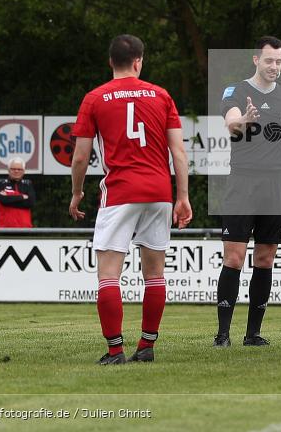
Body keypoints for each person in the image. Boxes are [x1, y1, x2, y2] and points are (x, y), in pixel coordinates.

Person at [69, 34, 192, 365]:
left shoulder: (95, 98)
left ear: (111, 62)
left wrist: (77, 192)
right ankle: (147, 345)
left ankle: (114, 350)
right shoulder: (161, 95)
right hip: (158, 192)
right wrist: (182, 196)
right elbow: (178, 151)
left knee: (109, 274)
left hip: (120, 192)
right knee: (154, 274)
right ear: (139, 61)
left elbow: (80, 157)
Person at [215, 36, 281, 348]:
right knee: (234, 258)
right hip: (242, 183)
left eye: (279, 61)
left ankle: (253, 334)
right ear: (255, 60)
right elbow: (232, 122)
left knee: (265, 258)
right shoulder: (236, 91)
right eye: (269, 61)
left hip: (275, 184)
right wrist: (244, 120)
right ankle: (223, 334)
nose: (274, 66)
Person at [0, 157, 35, 228]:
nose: (16, 171)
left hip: (24, 228)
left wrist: (9, 199)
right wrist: (22, 197)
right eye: (13, 169)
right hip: (5, 228)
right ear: (8, 170)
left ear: (24, 171)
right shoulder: (1, 183)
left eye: (19, 169)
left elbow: (30, 203)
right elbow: (3, 200)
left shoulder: (28, 184)